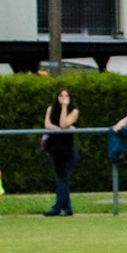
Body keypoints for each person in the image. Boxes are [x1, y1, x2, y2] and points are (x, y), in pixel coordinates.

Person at [41, 87, 79, 217]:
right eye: (61, 96)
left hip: (68, 149)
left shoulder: (74, 111)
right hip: (54, 148)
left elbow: (64, 123)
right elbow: (47, 125)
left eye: (66, 96)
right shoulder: (50, 109)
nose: (63, 98)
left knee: (63, 178)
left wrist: (64, 108)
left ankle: (57, 207)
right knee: (60, 179)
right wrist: (61, 129)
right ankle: (67, 208)